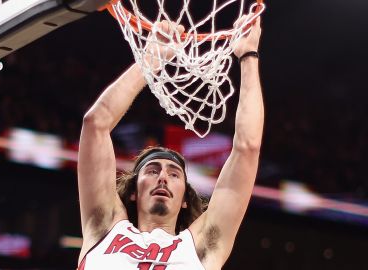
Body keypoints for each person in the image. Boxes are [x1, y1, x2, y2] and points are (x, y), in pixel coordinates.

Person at [77, 14, 264, 269]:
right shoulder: (103, 228)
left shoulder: (201, 246)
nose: (163, 177)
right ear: (134, 192)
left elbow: (247, 148)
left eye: (175, 174)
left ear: (185, 198)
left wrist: (248, 56)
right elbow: (95, 123)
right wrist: (152, 58)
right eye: (152, 171)